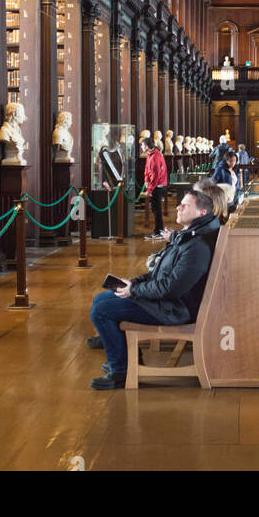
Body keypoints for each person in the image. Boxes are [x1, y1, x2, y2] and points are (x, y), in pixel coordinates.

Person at [87, 188, 220, 388]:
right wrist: (134, 282)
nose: (178, 207)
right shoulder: (188, 236)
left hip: (174, 309)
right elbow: (161, 272)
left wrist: (134, 291)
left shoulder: (196, 246)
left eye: (185, 205)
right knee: (102, 298)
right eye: (180, 203)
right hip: (167, 301)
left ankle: (120, 371)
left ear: (201, 212)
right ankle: (127, 361)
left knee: (102, 310)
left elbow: (171, 288)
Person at [141, 135, 169, 241]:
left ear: (147, 146)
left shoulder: (156, 155)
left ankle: (159, 231)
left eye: (142, 145)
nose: (142, 147)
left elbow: (156, 174)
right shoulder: (151, 154)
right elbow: (147, 170)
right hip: (154, 185)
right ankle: (157, 230)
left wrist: (149, 190)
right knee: (155, 209)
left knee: (157, 209)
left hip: (157, 185)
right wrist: (146, 181)